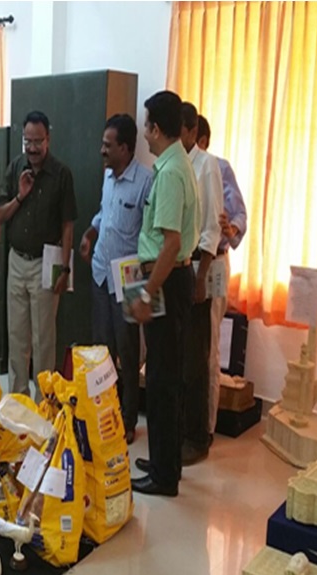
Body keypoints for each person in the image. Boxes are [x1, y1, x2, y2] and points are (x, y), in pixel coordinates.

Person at [129, 91, 199, 497]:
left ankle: (164, 475)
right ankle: (163, 459)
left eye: (146, 125)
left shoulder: (171, 173)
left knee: (161, 379)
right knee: (163, 373)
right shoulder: (174, 164)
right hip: (166, 277)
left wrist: (146, 293)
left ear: (156, 127)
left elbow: (170, 244)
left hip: (167, 281)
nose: (144, 133)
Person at [79, 114, 153, 444]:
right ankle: (103, 413)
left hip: (130, 277)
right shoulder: (108, 177)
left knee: (129, 353)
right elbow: (103, 213)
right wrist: (91, 231)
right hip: (99, 274)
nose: (102, 151)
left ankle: (127, 418)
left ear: (125, 147)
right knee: (102, 352)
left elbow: (150, 234)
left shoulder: (146, 182)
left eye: (108, 145)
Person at [0, 111, 77, 400]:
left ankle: (45, 402)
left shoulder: (61, 174)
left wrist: (64, 269)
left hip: (47, 261)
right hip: (17, 261)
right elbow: (0, 216)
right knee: (17, 337)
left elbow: (68, 226)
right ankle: (18, 400)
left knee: (43, 339)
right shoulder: (16, 167)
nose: (31, 147)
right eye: (27, 141)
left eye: (37, 141)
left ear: (48, 139)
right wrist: (20, 194)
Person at [176, 101, 223, 466]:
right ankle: (179, 432)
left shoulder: (206, 166)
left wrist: (201, 276)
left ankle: (197, 437)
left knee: (195, 358)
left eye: (180, 130)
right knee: (178, 358)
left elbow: (211, 227)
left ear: (192, 132)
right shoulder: (177, 164)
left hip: (197, 268)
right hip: (177, 267)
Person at [197, 114, 248, 440]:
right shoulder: (182, 169)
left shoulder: (218, 167)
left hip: (214, 261)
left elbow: (239, 214)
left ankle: (207, 426)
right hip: (189, 264)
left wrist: (232, 229)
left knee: (210, 346)